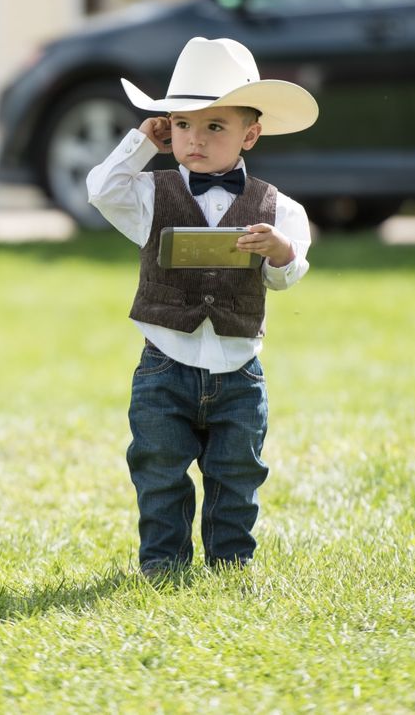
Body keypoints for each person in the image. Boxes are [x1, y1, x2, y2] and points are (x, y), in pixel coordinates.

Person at [86, 37, 319, 577]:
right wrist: (143, 141)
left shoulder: (278, 207)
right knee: (159, 468)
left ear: (250, 134)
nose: (195, 138)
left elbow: (290, 274)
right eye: (184, 124)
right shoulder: (149, 194)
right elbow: (101, 190)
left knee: (237, 471)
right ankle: (163, 565)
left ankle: (231, 564)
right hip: (165, 364)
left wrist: (279, 253)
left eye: (215, 126)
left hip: (240, 369)